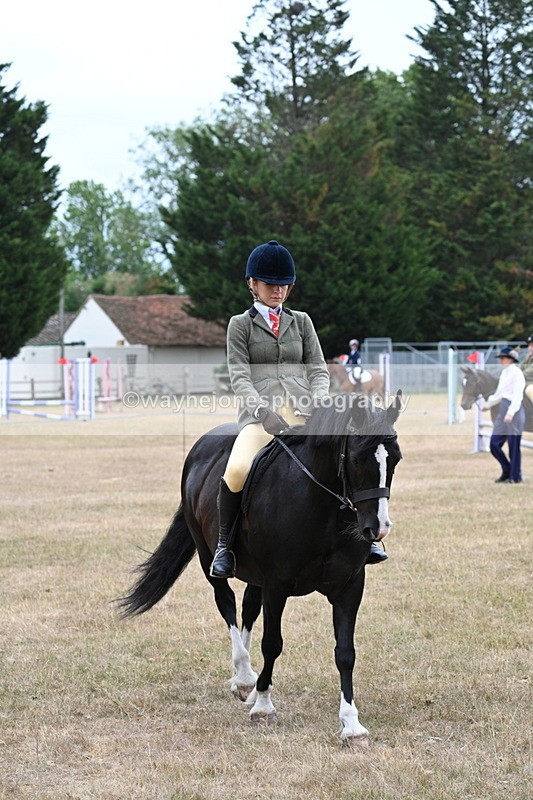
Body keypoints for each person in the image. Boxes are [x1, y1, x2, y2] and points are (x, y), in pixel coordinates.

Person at [210, 240, 387, 578]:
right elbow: (239, 376)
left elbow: (318, 369)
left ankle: (366, 538)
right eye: (270, 284)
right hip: (261, 417)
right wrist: (262, 411)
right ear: (252, 284)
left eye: (283, 285)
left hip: (306, 410)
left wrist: (319, 399)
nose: (278, 291)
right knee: (237, 469)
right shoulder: (240, 325)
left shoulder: (302, 321)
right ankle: (225, 546)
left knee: (350, 457)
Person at [485, 346, 526, 484]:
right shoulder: (504, 373)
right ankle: (507, 469)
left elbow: (517, 395)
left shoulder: (517, 373)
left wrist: (510, 412)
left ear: (510, 359)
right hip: (503, 409)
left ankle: (515, 476)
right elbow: (499, 394)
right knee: (494, 444)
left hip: (513, 411)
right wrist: (488, 404)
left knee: (513, 446)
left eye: (503, 358)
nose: (501, 361)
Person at [520, 334, 533, 404]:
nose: (530, 348)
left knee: (530, 390)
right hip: (525, 383)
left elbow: (526, 373)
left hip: (530, 384)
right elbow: (520, 368)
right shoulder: (528, 357)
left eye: (532, 345)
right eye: (529, 345)